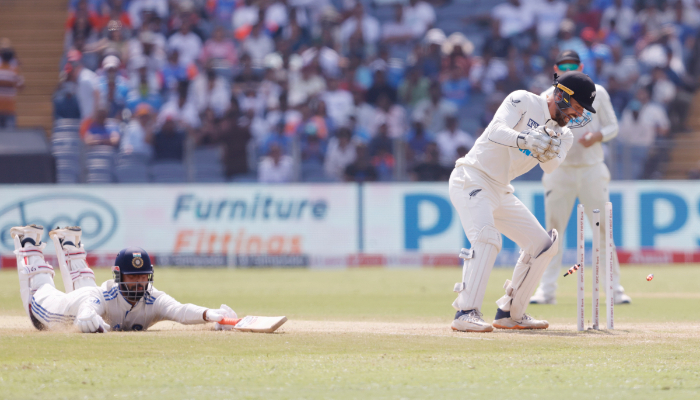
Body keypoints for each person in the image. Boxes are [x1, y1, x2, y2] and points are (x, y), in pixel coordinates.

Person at [449, 71, 595, 332]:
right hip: (471, 177)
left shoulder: (565, 135)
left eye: (582, 111)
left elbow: (550, 167)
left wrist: (548, 143)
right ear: (561, 94)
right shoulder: (523, 101)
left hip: (501, 190)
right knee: (487, 238)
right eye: (577, 106)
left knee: (543, 244)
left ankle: (509, 312)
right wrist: (526, 139)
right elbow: (494, 130)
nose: (577, 114)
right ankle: (465, 312)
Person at [531, 50, 631, 306]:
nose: (568, 68)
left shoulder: (597, 92)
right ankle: (546, 289)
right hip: (559, 170)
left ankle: (614, 288)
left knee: (602, 230)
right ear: (556, 69)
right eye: (563, 66)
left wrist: (597, 137)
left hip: (591, 168)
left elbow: (613, 127)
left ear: (581, 66)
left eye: (572, 65)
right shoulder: (547, 96)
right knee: (553, 232)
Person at [12, 224, 236, 333]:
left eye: (143, 277)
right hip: (67, 309)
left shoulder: (153, 299)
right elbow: (89, 307)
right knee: (43, 302)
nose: (139, 283)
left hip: (89, 298)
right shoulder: (102, 296)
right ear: (119, 277)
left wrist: (210, 314)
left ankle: (68, 243)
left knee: (86, 292)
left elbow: (180, 310)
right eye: (132, 276)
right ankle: (27, 243)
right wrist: (87, 316)